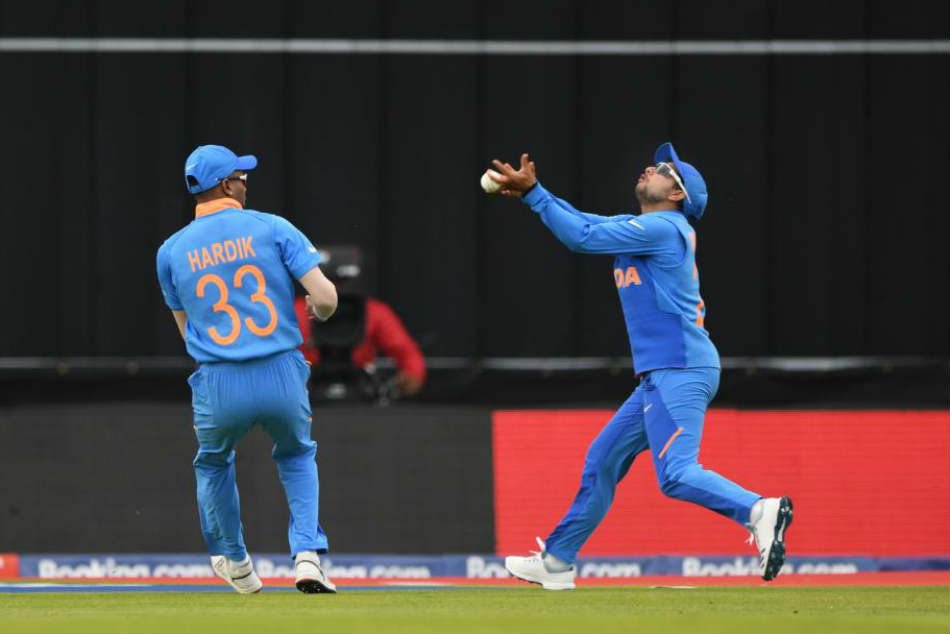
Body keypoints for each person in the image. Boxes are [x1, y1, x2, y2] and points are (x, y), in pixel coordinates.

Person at [489, 144, 793, 590]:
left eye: (665, 168)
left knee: (676, 474)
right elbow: (585, 222)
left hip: (681, 366)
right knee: (603, 460)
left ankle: (757, 510)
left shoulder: (664, 228)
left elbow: (581, 237)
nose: (652, 167)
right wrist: (537, 193)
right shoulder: (646, 227)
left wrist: (536, 195)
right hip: (663, 372)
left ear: (677, 194)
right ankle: (557, 562)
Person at [156, 144, 339, 594]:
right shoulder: (272, 226)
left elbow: (187, 332)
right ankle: (308, 556)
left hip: (219, 378)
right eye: (240, 177)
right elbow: (327, 298)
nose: (245, 183)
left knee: (213, 463)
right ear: (225, 185)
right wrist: (316, 310)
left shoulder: (170, 251)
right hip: (280, 369)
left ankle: (237, 564)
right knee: (297, 455)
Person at [293, 246, 427, 399]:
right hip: (303, 391)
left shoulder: (375, 312)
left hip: (362, 393)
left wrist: (411, 374)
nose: (337, 288)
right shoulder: (294, 311)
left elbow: (405, 351)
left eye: (342, 282)